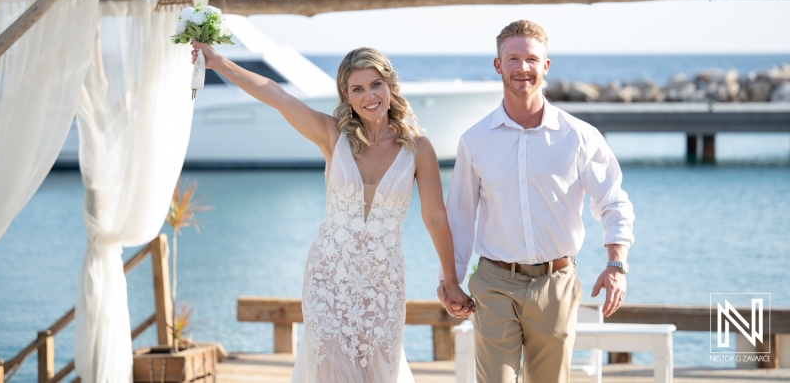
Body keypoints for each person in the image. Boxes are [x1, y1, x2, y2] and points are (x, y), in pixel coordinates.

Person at [192, 42, 473, 383]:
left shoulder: (418, 148)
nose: (369, 96)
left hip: (383, 284)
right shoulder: (332, 136)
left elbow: (435, 218)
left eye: (375, 85)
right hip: (328, 279)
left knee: (379, 370)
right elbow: (277, 95)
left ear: (389, 86)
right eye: (358, 88)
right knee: (328, 368)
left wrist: (451, 281)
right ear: (346, 94)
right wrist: (220, 62)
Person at [436, 20, 635, 383]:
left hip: (555, 283)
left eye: (531, 59)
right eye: (512, 58)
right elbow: (460, 218)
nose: (522, 68)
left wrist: (616, 265)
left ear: (545, 65)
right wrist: (450, 280)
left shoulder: (579, 137)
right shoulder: (475, 139)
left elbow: (613, 200)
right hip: (495, 280)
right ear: (498, 65)